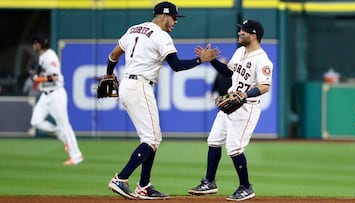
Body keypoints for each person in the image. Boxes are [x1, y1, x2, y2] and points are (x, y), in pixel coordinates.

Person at [105, 1, 218, 200]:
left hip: (128, 84)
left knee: (152, 138)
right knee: (151, 139)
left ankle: (144, 185)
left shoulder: (133, 29)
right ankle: (120, 179)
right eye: (174, 18)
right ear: (163, 16)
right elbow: (176, 65)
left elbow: (114, 55)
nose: (175, 22)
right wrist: (202, 60)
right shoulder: (161, 35)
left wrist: (108, 75)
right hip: (140, 87)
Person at [188, 19, 273, 201]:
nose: (240, 33)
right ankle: (209, 182)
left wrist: (245, 95)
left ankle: (246, 187)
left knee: (234, 148)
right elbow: (229, 72)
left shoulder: (263, 59)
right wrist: (212, 61)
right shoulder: (240, 51)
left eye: (243, 31)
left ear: (253, 35)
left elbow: (265, 86)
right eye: (240, 30)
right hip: (231, 103)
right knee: (214, 141)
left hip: (246, 107)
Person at [29, 32, 83, 165]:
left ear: (39, 44)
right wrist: (39, 83)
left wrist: (38, 79)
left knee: (65, 125)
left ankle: (76, 155)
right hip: (45, 95)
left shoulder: (50, 56)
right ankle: (62, 135)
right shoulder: (41, 57)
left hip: (56, 94)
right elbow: (43, 77)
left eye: (35, 43)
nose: (33, 45)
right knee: (36, 122)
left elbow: (55, 77)